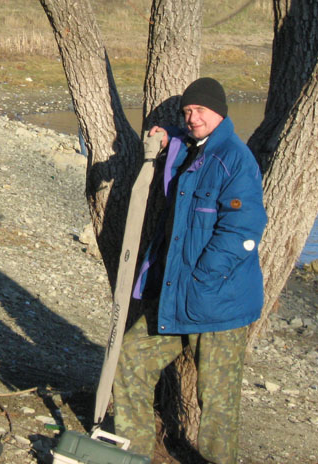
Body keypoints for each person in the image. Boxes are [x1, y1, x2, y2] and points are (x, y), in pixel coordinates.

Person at [112, 78, 267, 463]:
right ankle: (134, 454)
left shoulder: (235, 159)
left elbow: (243, 230)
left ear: (220, 112)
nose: (192, 118)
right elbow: (184, 137)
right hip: (175, 295)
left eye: (199, 110)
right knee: (130, 361)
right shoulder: (191, 148)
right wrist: (168, 135)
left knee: (217, 402)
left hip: (217, 303)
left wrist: (202, 279)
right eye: (187, 111)